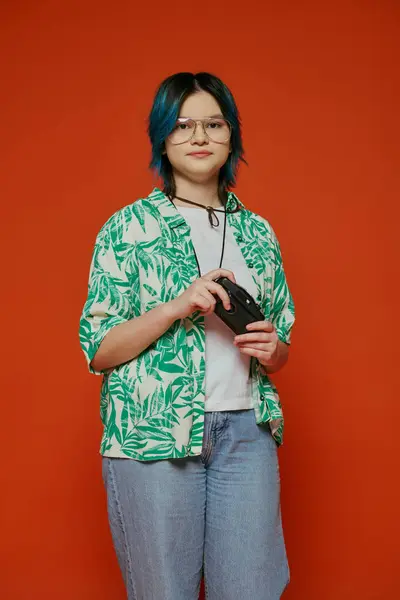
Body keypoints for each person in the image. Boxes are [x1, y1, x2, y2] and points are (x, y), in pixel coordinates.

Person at [79, 71, 295, 600]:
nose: (198, 137)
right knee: (163, 592)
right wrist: (179, 306)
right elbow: (99, 350)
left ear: (231, 136)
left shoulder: (258, 231)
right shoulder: (129, 227)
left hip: (246, 433)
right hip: (152, 437)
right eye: (181, 125)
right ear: (162, 139)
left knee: (252, 591)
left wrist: (275, 348)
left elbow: (282, 340)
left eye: (212, 124)